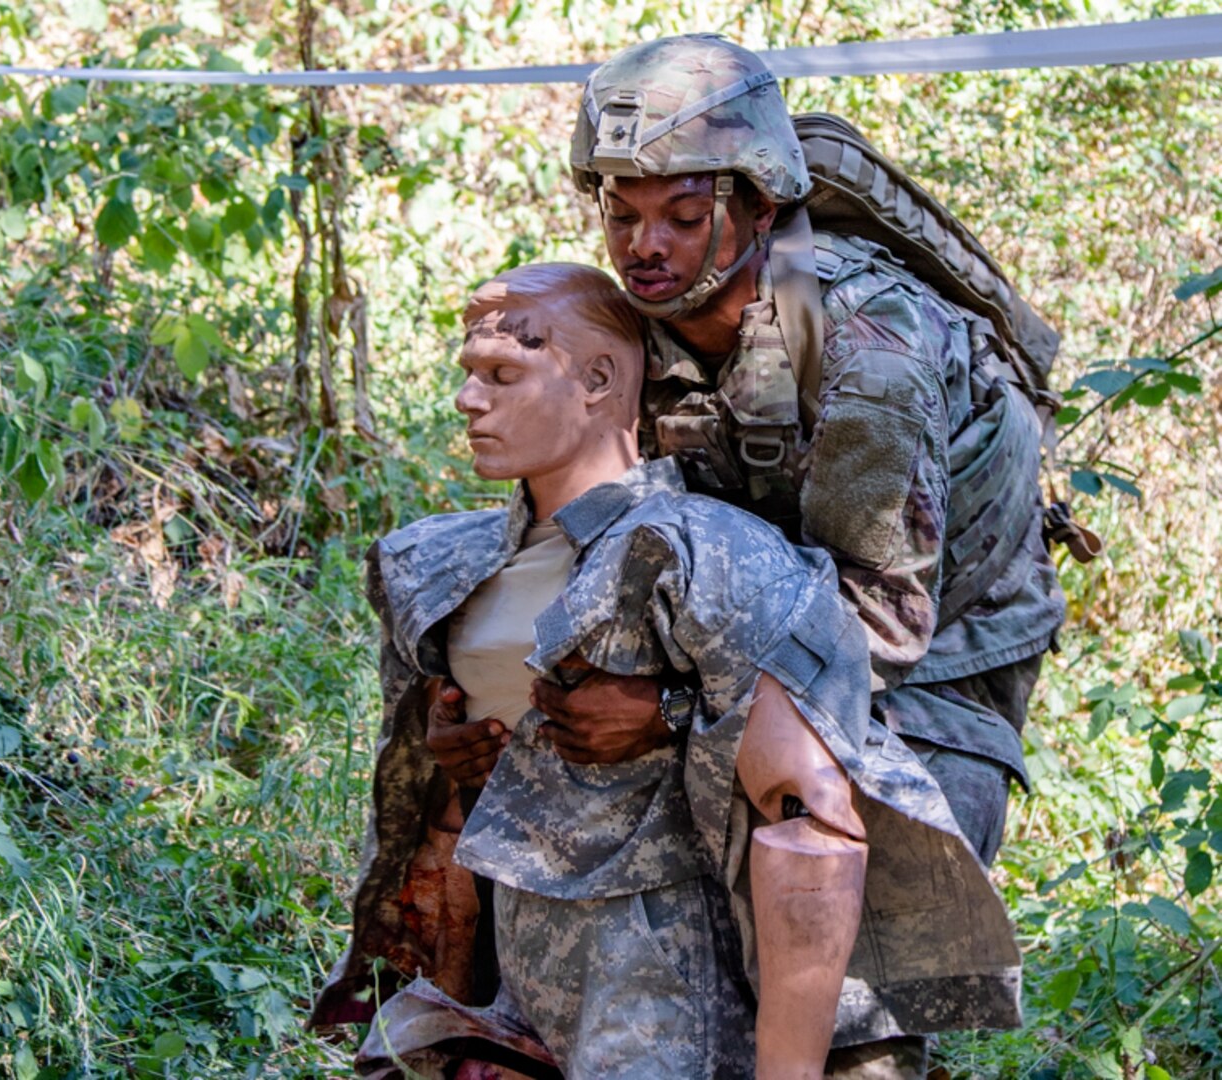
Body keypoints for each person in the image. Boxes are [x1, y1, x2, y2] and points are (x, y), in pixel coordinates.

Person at [423, 35, 1065, 1077]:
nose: (644, 247)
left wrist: (667, 714)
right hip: (748, 641)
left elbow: (876, 629)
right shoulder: (639, 329)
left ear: (759, 208)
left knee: (857, 969)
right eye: (620, 215)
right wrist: (525, 699)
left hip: (936, 668)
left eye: (682, 216)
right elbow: (608, 528)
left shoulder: (865, 346)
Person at [310, 263, 1021, 1079]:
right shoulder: (435, 563)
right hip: (505, 972)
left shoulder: (696, 551)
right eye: (469, 375)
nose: (470, 401)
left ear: (599, 381)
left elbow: (808, 821)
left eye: (503, 374)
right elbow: (428, 816)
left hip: (654, 981)